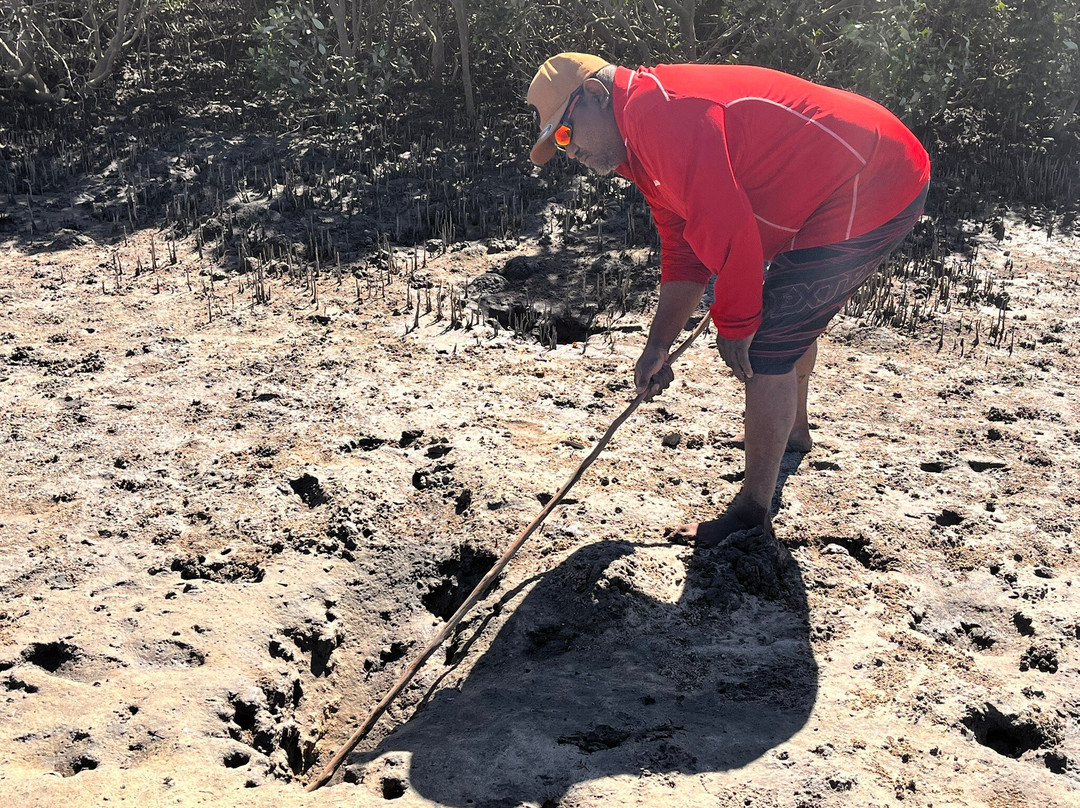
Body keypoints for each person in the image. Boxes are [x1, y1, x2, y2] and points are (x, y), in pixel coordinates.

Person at [527, 53, 930, 547]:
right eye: (558, 145)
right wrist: (658, 344)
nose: (569, 154)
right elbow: (684, 251)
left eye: (566, 135)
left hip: (875, 178)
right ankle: (794, 433)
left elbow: (734, 236)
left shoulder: (664, 117)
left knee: (768, 345)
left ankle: (750, 514)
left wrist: (736, 326)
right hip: (839, 180)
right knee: (784, 316)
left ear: (593, 95)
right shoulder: (640, 141)